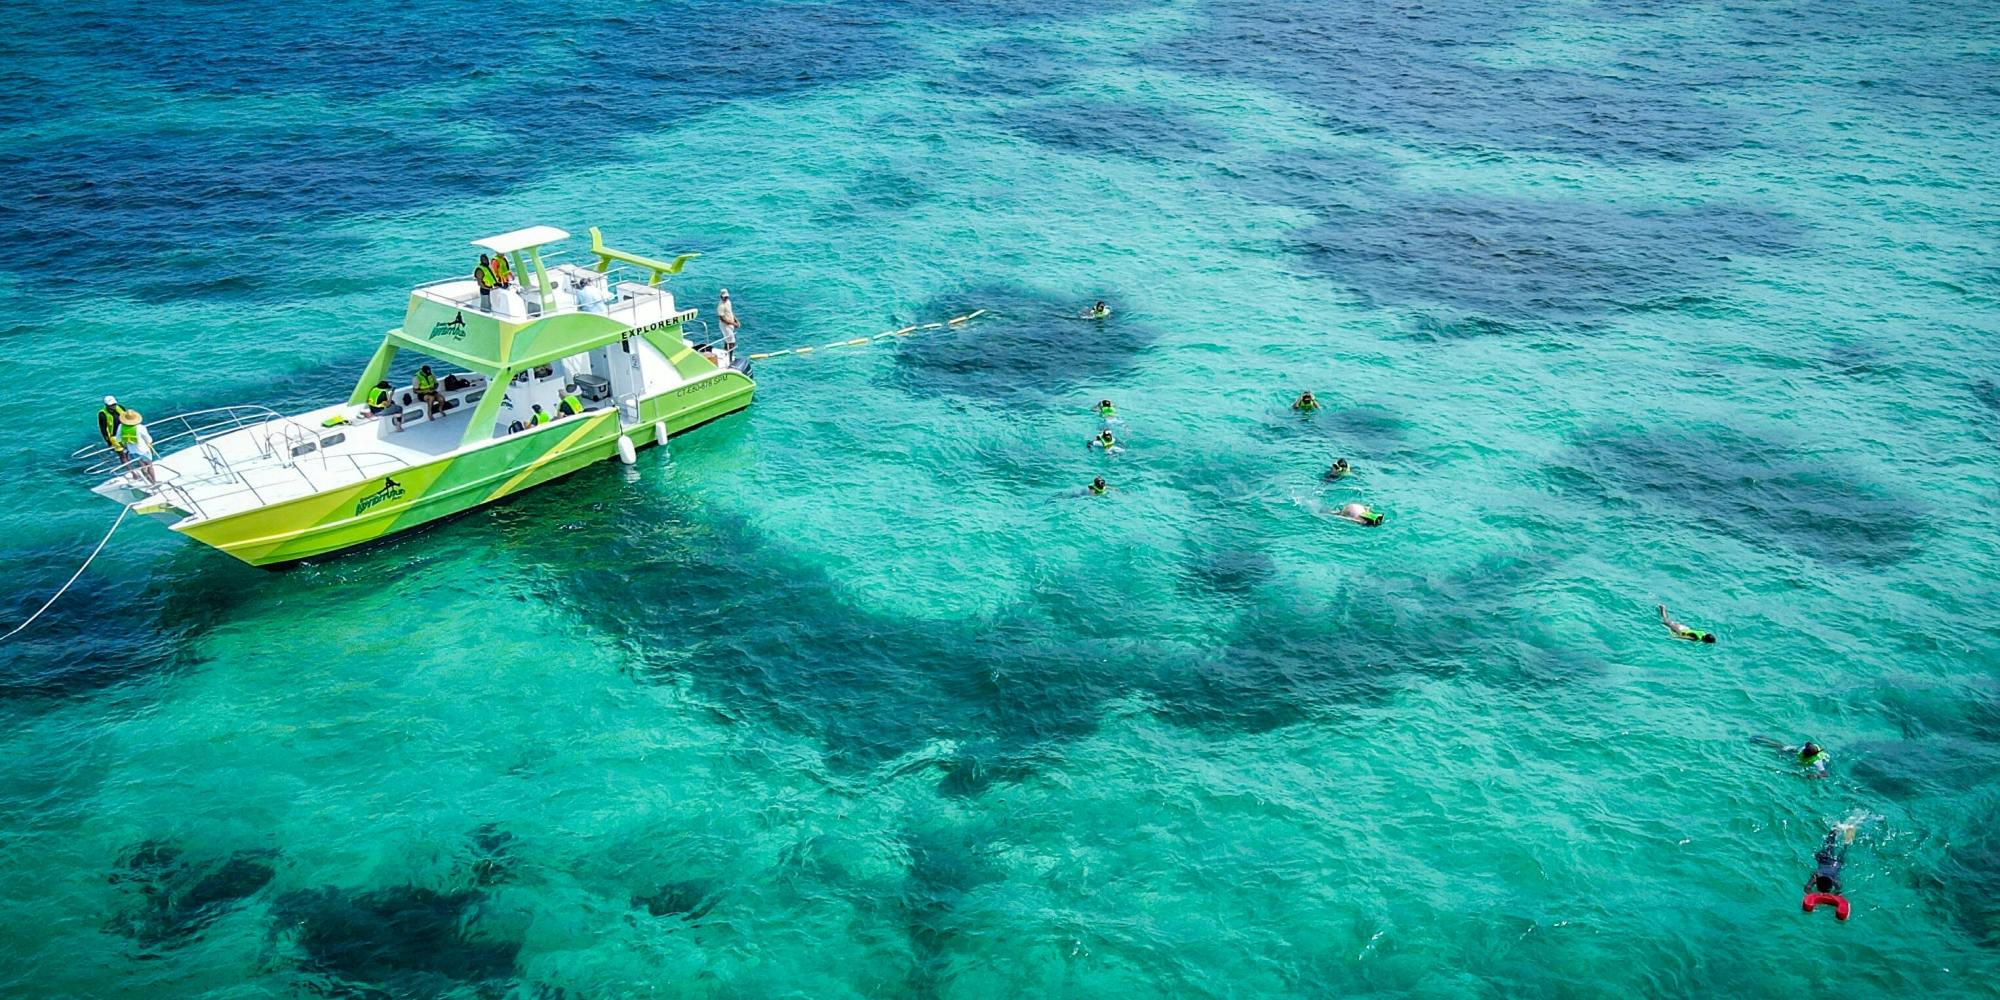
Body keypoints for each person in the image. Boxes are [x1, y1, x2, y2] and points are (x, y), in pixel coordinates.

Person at [1805, 823, 1856, 897]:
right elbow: (1838, 888)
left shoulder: (1817, 875)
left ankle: (1837, 829)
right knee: (1834, 845)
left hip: (1836, 863)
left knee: (1842, 847)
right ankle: (1838, 828)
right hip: (1826, 860)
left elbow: (1807, 888)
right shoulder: (1818, 875)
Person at [117, 409, 157, 485]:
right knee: (149, 466)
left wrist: (125, 446)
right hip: (143, 450)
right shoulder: (140, 427)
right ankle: (154, 481)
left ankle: (150, 482)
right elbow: (149, 439)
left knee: (142, 466)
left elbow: (118, 439)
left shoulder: (121, 427)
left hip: (132, 451)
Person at [717, 289, 741, 355]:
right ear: (721, 296)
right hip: (725, 326)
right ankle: (729, 358)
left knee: (727, 340)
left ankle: (725, 354)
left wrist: (736, 320)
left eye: (727, 297)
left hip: (730, 324)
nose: (726, 298)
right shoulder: (721, 306)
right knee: (732, 342)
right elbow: (722, 319)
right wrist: (734, 323)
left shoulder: (728, 302)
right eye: (724, 297)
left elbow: (730, 312)